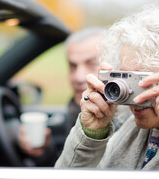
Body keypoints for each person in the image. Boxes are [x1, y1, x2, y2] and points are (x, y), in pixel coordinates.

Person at [55, 5, 159, 171]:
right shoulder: (132, 132)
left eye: (146, 81)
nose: (134, 95)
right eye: (126, 78)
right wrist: (90, 135)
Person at [18, 28, 130, 166]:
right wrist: (44, 153)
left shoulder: (130, 121)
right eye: (73, 66)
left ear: (115, 68)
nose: (78, 77)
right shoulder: (76, 107)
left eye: (92, 64)